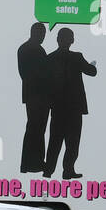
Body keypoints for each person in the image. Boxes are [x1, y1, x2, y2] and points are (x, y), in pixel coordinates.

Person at [42, 27, 97, 179]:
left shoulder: (50, 58)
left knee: (55, 140)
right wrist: (93, 64)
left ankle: (48, 171)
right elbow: (91, 72)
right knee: (72, 142)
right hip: (74, 107)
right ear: (71, 40)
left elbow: (45, 83)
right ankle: (68, 170)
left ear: (58, 39)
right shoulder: (77, 57)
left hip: (57, 107)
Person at [16, 22, 49, 172]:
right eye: (41, 34)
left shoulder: (25, 48)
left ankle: (32, 162)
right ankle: (32, 163)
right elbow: (36, 73)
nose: (42, 37)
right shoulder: (33, 49)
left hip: (33, 93)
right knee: (36, 128)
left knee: (35, 128)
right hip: (38, 94)